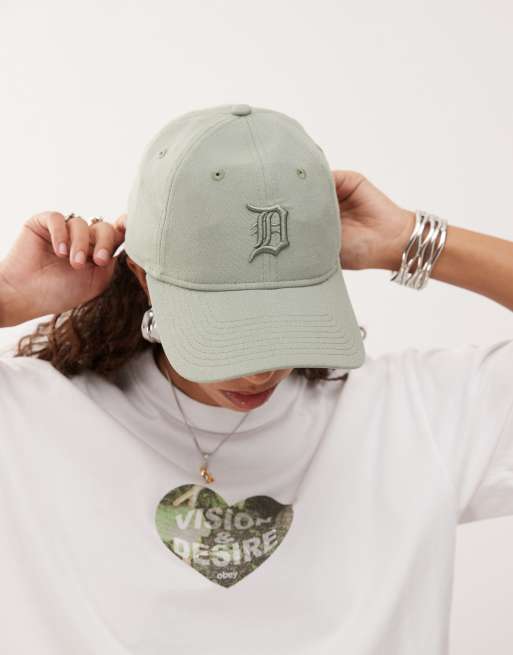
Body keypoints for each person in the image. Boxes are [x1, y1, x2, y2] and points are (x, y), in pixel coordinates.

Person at [0, 104, 511, 655]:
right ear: (144, 277)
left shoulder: (412, 416)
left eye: (289, 319)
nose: (260, 370)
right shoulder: (31, 418)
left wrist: (414, 240)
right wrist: (7, 298)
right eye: (226, 326)